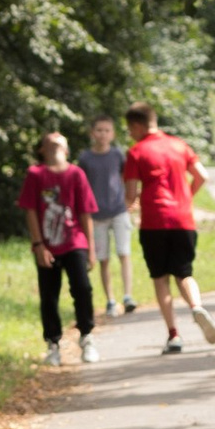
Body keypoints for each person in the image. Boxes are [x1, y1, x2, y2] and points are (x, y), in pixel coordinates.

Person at [122, 101, 215, 353]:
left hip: (155, 222)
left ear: (136, 125)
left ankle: (174, 335)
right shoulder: (179, 145)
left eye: (129, 129)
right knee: (184, 273)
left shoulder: (136, 152)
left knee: (160, 278)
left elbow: (131, 192)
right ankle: (196, 307)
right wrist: (186, 196)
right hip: (183, 219)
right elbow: (202, 175)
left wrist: (130, 204)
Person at [19, 131, 100, 366]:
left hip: (75, 242)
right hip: (47, 246)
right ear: (42, 149)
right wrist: (38, 244)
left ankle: (86, 336)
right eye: (49, 140)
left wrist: (91, 249)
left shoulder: (76, 174)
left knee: (83, 289)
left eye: (60, 139)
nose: (55, 139)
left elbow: (85, 212)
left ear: (67, 149)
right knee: (49, 295)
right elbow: (31, 210)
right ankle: (53, 343)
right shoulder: (35, 174)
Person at [78, 117, 136, 313]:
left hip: (119, 211)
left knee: (124, 253)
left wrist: (130, 201)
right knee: (103, 259)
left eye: (107, 130)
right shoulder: (85, 158)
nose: (103, 134)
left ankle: (127, 296)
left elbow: (126, 179)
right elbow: (81, 186)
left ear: (112, 134)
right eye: (99, 130)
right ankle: (110, 299)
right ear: (92, 133)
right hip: (96, 215)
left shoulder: (118, 155)